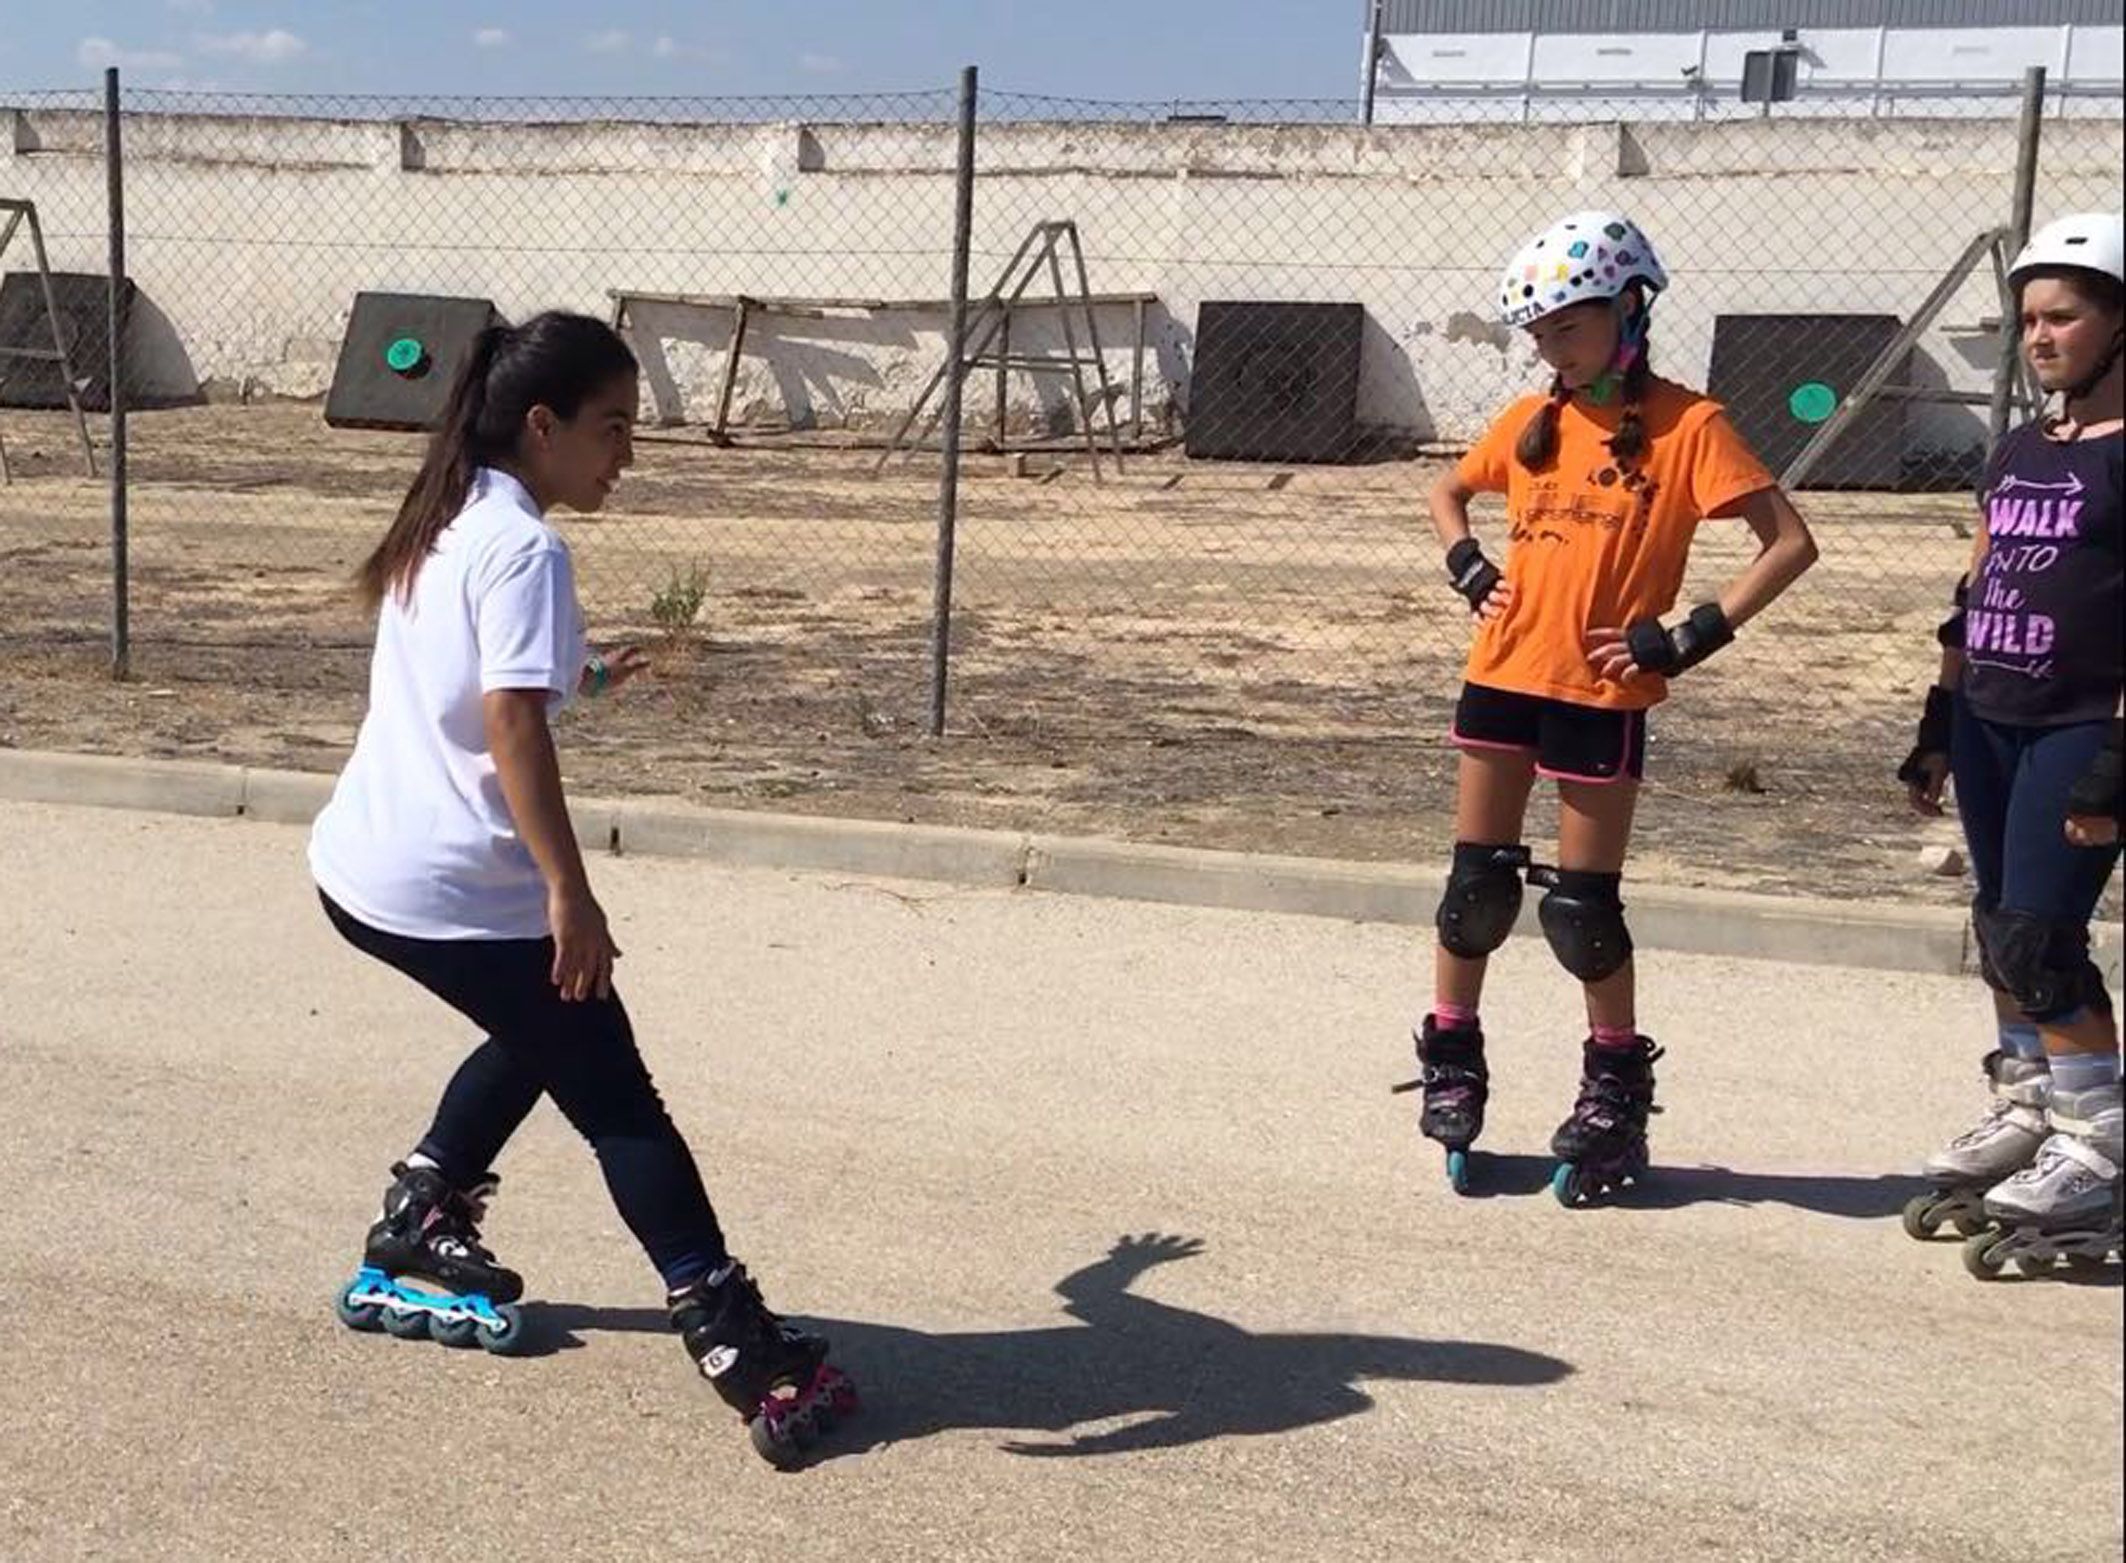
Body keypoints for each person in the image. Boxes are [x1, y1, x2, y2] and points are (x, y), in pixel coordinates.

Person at [308, 311, 853, 1463]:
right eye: (612, 429)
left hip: (364, 867)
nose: (626, 456)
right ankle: (737, 1343)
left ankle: (425, 1207)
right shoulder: (525, 547)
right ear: (543, 426)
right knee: (616, 1100)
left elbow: (483, 689)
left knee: (541, 1021)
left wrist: (582, 673)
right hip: (454, 884)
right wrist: (571, 892)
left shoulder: (450, 515)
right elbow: (506, 723)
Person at [1404, 211, 1818, 1202]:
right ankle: (1452, 1055)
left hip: (1601, 691)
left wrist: (1688, 634)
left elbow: (1788, 543)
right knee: (1475, 893)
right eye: (1538, 336)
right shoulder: (1528, 422)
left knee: (1581, 914)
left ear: (1628, 309)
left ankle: (1612, 1088)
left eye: (1567, 329)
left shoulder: (1689, 426)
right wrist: (1467, 564)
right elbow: (1445, 492)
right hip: (1502, 672)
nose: (1550, 351)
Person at [1896, 212, 2124, 1278]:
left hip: (2083, 721)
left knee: (2041, 933)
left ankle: (2099, 1138)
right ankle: (2030, 1103)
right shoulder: (2020, 448)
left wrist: (2116, 759)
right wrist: (1935, 726)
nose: (2037, 337)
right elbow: (1970, 592)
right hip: (1989, 713)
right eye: (2026, 319)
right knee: (1997, 923)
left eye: (2061, 317)